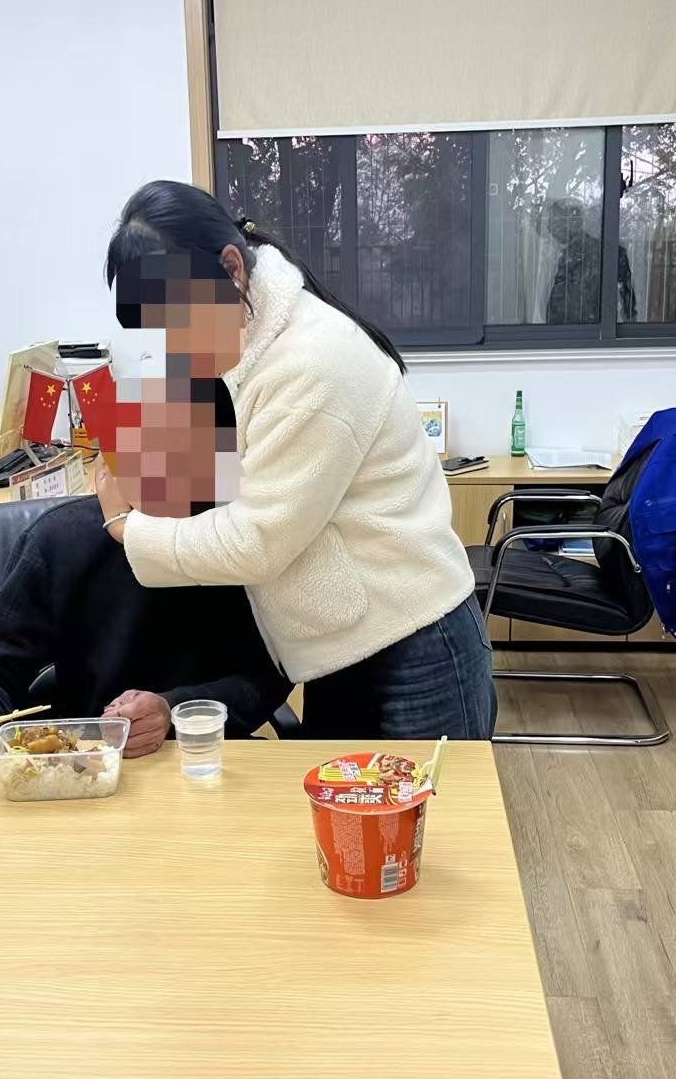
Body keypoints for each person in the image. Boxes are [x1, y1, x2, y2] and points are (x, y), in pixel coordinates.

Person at [92, 180, 497, 740]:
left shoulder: (312, 361)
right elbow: (231, 478)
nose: (175, 346)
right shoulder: (248, 346)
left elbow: (258, 540)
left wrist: (126, 526)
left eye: (177, 321)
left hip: (414, 643)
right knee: (338, 800)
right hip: (336, 644)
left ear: (231, 268)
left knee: (434, 800)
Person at [0, 458, 289, 779]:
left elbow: (269, 675)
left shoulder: (237, 543)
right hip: (83, 769)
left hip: (208, 762)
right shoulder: (63, 538)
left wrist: (173, 708)